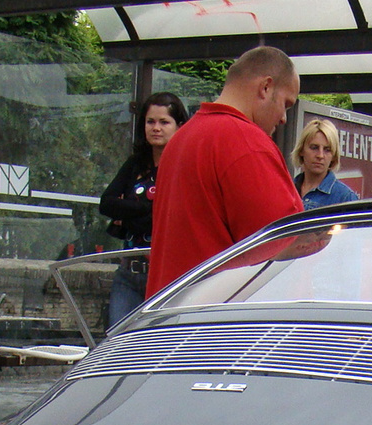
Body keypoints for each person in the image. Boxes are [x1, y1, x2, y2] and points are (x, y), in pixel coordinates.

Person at [144, 45, 303, 298]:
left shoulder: (181, 139)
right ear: (266, 87)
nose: (284, 117)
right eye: (286, 103)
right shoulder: (248, 143)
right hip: (220, 327)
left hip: (169, 318)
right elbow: (280, 249)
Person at [98, 91, 185, 325]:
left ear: (179, 126)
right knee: (117, 344)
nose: (156, 128)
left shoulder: (182, 166)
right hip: (129, 272)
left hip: (167, 276)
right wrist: (145, 209)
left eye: (164, 122)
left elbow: (170, 217)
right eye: (150, 121)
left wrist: (128, 214)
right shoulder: (137, 163)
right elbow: (106, 203)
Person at [291, 118, 360, 210]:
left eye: (327, 150)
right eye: (314, 147)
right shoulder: (288, 190)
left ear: (334, 156)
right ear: (301, 150)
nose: (320, 155)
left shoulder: (345, 197)